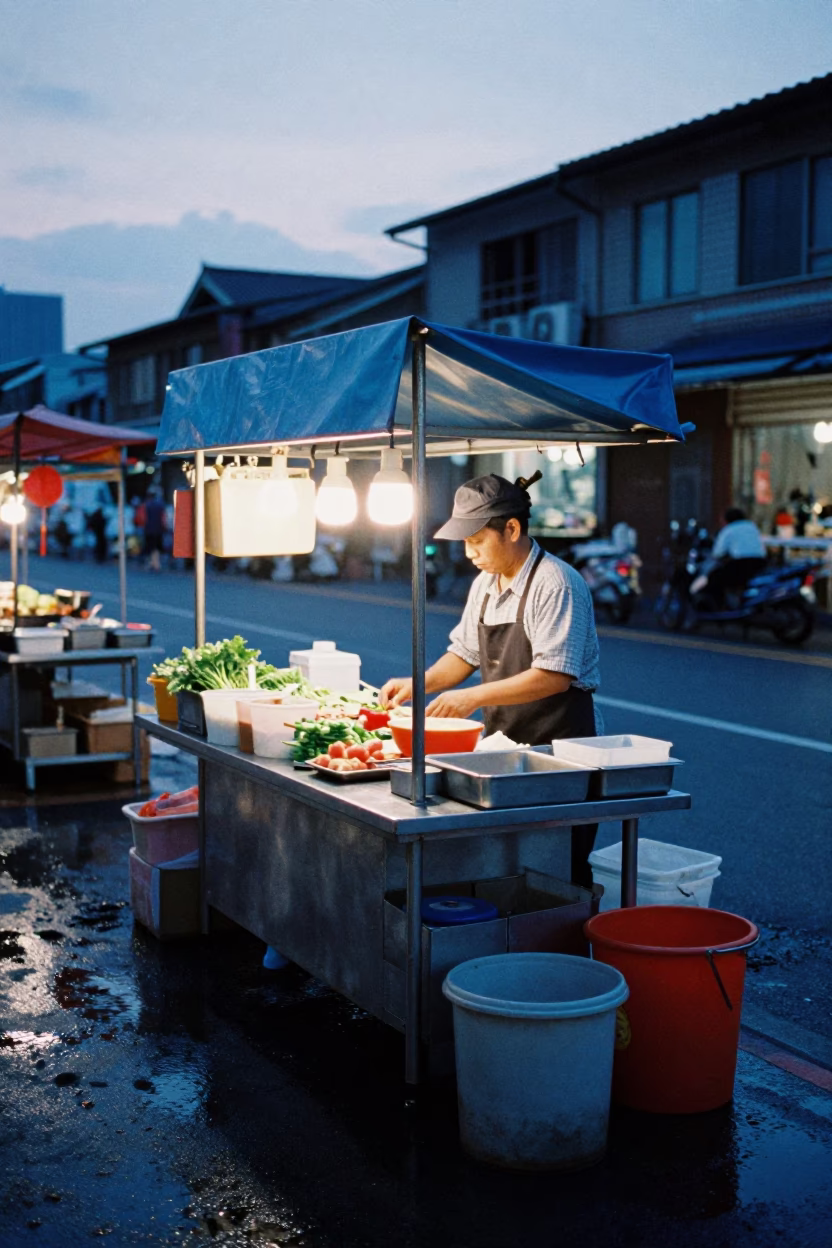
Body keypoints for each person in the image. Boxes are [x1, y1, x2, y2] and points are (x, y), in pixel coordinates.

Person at [380, 473, 602, 887]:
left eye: (477, 541)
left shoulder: (556, 583)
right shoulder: (485, 583)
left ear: (512, 529)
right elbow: (463, 656)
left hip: (561, 750)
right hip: (505, 747)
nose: (469, 554)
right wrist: (419, 683)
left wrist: (471, 699)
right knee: (504, 863)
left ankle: (567, 944)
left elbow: (554, 676)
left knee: (558, 864)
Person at [701, 507, 767, 606]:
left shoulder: (729, 529)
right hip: (760, 563)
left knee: (714, 578)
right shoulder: (751, 526)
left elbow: (718, 553)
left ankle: (720, 607)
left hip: (740, 564)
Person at [140, 488, 167, 571]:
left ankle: (153, 563)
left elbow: (143, 518)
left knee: (150, 547)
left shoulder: (146, 505)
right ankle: (156, 563)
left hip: (149, 529)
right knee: (157, 547)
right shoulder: (160, 505)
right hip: (158, 529)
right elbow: (163, 517)